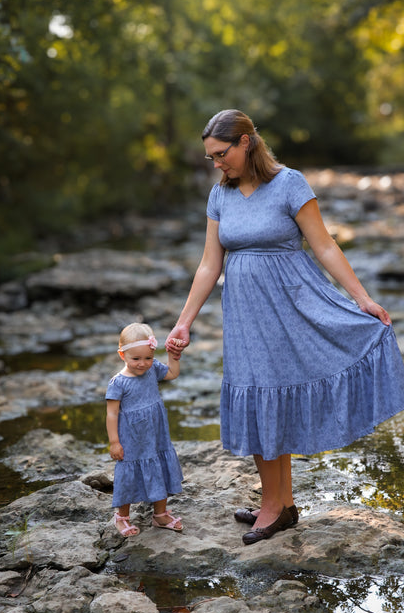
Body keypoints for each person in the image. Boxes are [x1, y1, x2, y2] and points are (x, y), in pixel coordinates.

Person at [165, 108, 404, 546]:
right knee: (257, 395)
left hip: (294, 305)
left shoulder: (290, 183)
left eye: (221, 153)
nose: (216, 163)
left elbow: (325, 246)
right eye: (210, 157)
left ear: (245, 142)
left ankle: (275, 507)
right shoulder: (220, 195)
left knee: (274, 391)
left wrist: (362, 298)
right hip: (245, 314)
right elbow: (208, 264)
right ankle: (282, 503)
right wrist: (184, 323)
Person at [106, 322, 184, 537]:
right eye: (136, 359)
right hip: (132, 438)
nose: (143, 364)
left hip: (155, 435)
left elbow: (172, 374)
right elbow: (112, 414)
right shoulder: (118, 383)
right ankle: (122, 516)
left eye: (148, 358)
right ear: (122, 355)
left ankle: (160, 514)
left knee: (159, 466)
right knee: (129, 474)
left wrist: (173, 357)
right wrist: (114, 441)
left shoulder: (152, 370)